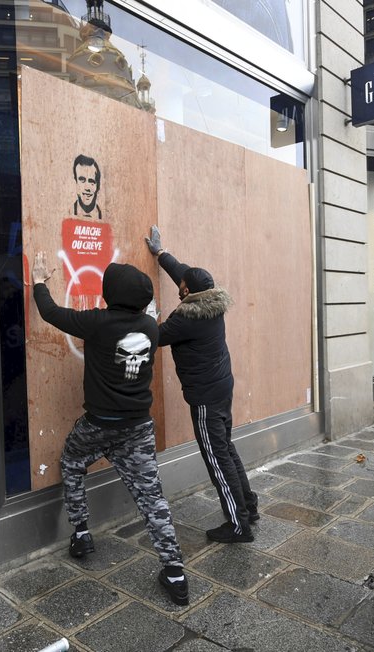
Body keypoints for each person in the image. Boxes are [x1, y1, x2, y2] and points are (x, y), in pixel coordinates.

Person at [30, 250, 189, 606]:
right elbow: (146, 312)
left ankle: (82, 533)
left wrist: (39, 281)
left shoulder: (98, 323)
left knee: (72, 462)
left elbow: (52, 313)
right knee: (152, 498)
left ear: (110, 295)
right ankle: (175, 573)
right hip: (138, 427)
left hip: (99, 425)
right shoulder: (149, 326)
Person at [145, 226, 258, 544]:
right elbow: (186, 273)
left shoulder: (187, 318)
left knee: (216, 457)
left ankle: (238, 525)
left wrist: (148, 313)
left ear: (186, 292)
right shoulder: (212, 301)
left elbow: (156, 336)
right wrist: (162, 253)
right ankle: (247, 506)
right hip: (221, 387)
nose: (179, 285)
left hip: (206, 397)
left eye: (181, 287)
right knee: (227, 449)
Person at [71, 154, 102, 219]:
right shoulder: (69, 212)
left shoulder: (103, 216)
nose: (87, 188)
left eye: (91, 181)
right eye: (82, 180)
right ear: (75, 183)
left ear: (98, 186)